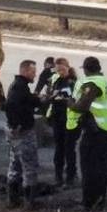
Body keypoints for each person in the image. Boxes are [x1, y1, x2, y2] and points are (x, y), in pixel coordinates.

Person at [68, 56, 107, 211]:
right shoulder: (106, 81)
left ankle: (88, 201)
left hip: (95, 129)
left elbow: (82, 106)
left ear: (87, 69)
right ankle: (100, 199)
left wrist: (69, 103)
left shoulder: (92, 83)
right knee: (102, 166)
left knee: (89, 166)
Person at [3, 59, 40, 208]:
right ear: (25, 71)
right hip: (23, 133)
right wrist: (16, 124)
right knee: (29, 166)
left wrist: (37, 100)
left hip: (16, 134)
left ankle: (13, 200)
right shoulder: (19, 87)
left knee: (15, 165)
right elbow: (11, 106)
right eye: (32, 72)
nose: (35, 75)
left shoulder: (19, 86)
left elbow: (26, 101)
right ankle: (29, 201)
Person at [44, 56, 78, 188]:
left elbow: (76, 99)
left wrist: (64, 98)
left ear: (68, 68)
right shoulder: (55, 79)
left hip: (70, 119)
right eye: (58, 70)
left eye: (62, 70)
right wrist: (51, 96)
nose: (60, 72)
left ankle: (70, 177)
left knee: (69, 149)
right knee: (59, 149)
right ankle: (58, 176)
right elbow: (49, 95)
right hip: (57, 117)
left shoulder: (73, 82)